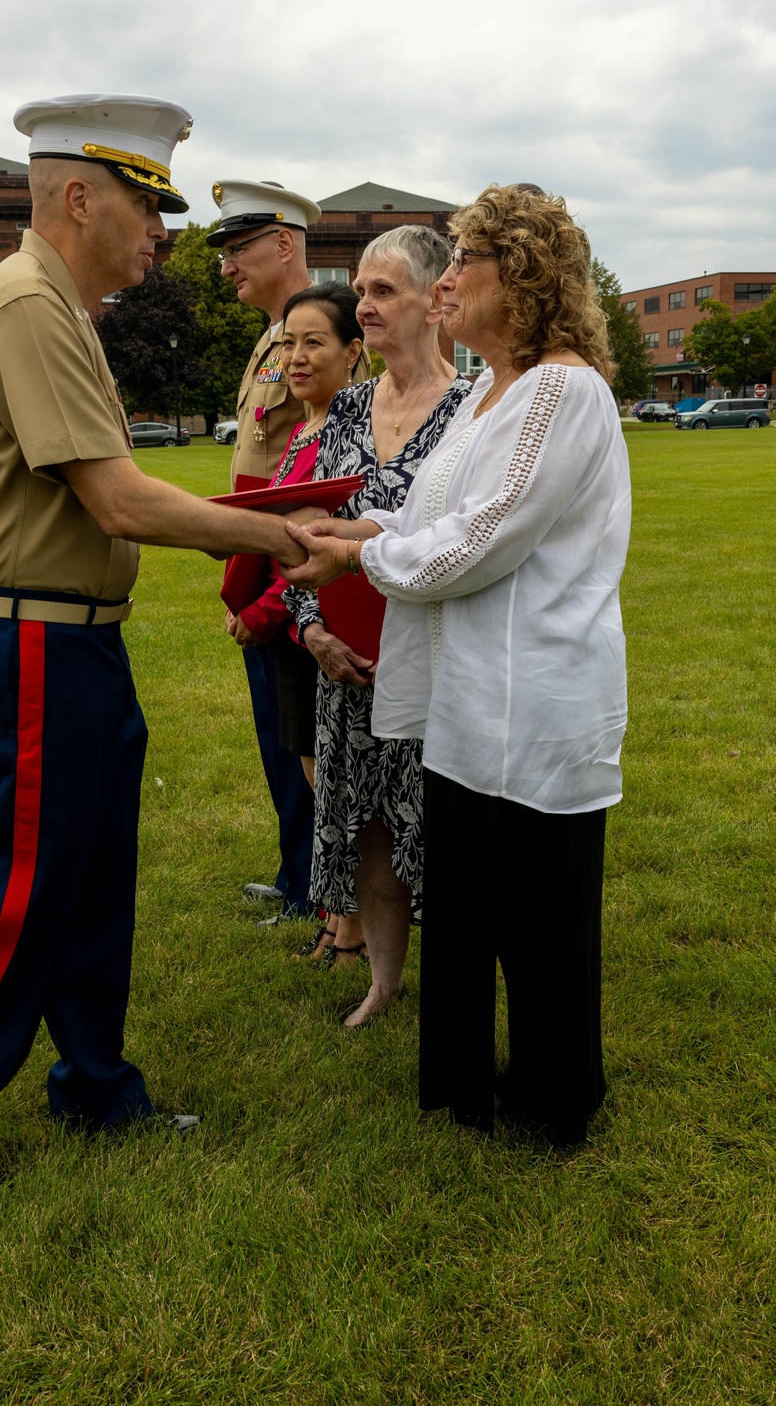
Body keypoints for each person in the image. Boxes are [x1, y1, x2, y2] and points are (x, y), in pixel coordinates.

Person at [0, 94, 310, 1188]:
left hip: (73, 646)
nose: (162, 229)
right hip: (29, 651)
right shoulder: (26, 303)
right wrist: (278, 534)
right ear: (77, 196)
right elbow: (116, 500)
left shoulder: (59, 307)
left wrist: (278, 513)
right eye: (144, 202)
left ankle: (96, 1090)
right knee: (23, 903)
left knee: (93, 888)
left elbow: (122, 490)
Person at [284, 184, 630, 1143]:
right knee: (472, 910)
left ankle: (554, 1102)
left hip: (539, 698)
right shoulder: (487, 389)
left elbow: (481, 542)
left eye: (465, 261)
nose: (449, 282)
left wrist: (359, 555)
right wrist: (361, 526)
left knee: (543, 923)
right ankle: (462, 1088)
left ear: (518, 278)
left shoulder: (565, 389)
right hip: (469, 701)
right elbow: (434, 519)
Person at [284, 226, 472, 1014]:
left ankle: (459, 989)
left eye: (382, 290)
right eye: (359, 289)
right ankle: (384, 982)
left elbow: (469, 538)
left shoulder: (474, 410)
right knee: (366, 830)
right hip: (347, 666)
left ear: (436, 301)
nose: (363, 304)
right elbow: (306, 525)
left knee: (445, 834)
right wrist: (309, 629)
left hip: (435, 663)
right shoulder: (349, 404)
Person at [208, 181, 369, 923]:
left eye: (237, 249)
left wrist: (275, 601)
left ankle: (318, 891)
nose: (226, 267)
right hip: (264, 575)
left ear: (283, 243)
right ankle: (296, 872)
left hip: (300, 579)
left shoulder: (332, 334)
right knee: (282, 739)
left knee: (308, 742)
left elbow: (329, 489)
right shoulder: (270, 339)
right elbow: (260, 475)